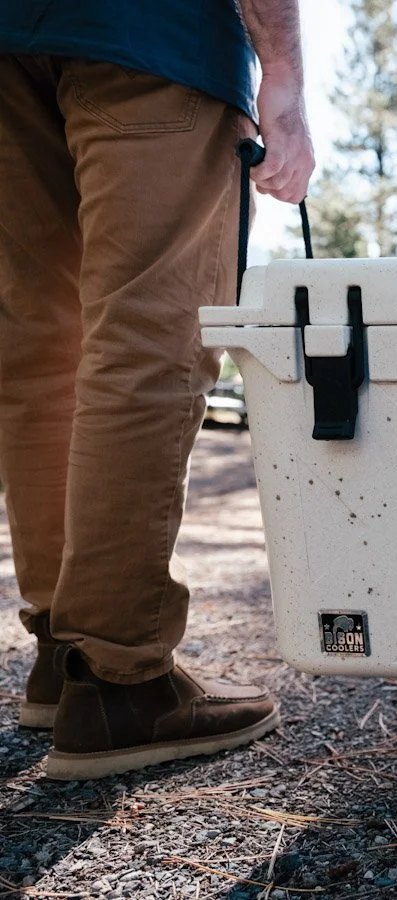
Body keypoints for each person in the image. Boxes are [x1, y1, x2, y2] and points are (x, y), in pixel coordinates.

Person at [0, 0, 315, 780]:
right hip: (151, 36)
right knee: (146, 340)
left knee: (39, 352)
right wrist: (283, 76)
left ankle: (58, 654)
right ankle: (115, 677)